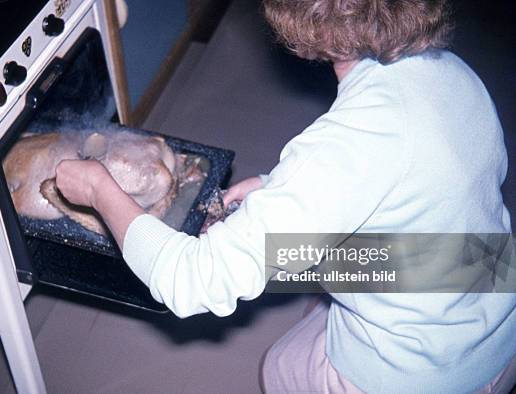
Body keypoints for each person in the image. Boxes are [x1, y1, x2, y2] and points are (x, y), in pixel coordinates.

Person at [54, 0, 516, 392]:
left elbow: (190, 282)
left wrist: (98, 188)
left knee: (279, 368)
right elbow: (406, 183)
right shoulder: (452, 72)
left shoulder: (342, 146)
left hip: (418, 375)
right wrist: (274, 189)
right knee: (313, 280)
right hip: (492, 318)